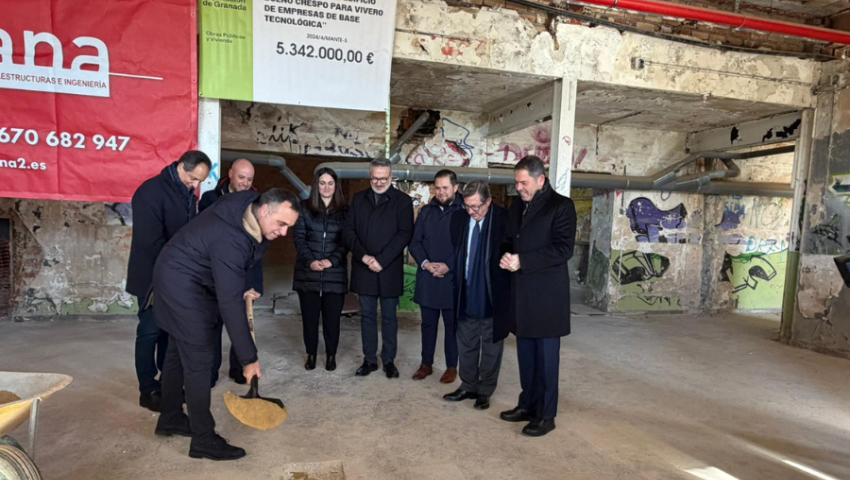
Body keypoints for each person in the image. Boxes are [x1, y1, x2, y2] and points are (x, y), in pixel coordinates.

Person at [152, 188, 301, 461]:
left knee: (176, 351)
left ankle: (171, 417)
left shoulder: (247, 207)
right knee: (199, 360)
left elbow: (237, 263)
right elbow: (230, 303)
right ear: (265, 210)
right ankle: (203, 440)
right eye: (281, 224)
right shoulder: (230, 237)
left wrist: (243, 284)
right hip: (182, 284)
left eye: (289, 227)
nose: (284, 233)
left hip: (181, 272)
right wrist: (249, 359)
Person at [126, 150, 211, 412]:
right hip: (152, 276)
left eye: (200, 182)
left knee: (169, 331)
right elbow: (150, 242)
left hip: (176, 275)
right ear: (180, 166)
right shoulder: (149, 192)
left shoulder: (185, 192)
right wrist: (182, 263)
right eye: (193, 178)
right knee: (149, 331)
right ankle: (147, 388)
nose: (195, 186)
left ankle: (168, 384)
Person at [499, 155, 576, 437]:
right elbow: (509, 239)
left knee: (546, 360)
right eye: (516, 183)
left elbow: (563, 249)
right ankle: (528, 405)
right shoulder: (518, 205)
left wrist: (524, 261)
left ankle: (547, 415)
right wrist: (506, 256)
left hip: (547, 298)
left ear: (540, 179)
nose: (519, 188)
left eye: (524, 183)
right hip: (522, 293)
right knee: (527, 357)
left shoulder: (561, 206)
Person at [442, 180, 511, 411]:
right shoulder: (459, 219)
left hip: (492, 295)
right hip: (466, 291)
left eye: (477, 207)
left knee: (492, 347)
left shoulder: (504, 219)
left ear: (489, 201)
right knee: (466, 343)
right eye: (468, 206)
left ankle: (485, 391)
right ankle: (468, 386)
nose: (472, 212)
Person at [344, 158, 414, 378]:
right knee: (367, 316)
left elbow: (405, 234)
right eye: (375, 178)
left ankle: (389, 360)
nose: (379, 182)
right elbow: (348, 232)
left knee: (390, 317)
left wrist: (381, 260)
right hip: (364, 266)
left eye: (384, 178)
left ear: (391, 177)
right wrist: (365, 257)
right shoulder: (358, 199)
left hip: (389, 268)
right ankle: (369, 360)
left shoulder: (403, 201)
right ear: (369, 176)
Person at [198, 158, 262, 386]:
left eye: (250, 179)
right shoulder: (210, 200)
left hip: (245, 275)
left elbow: (259, 245)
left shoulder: (257, 202)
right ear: (231, 174)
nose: (245, 183)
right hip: (214, 274)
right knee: (212, 327)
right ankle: (211, 371)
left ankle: (239, 368)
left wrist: (253, 283)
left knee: (241, 323)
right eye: (241, 177)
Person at [408, 170, 463, 383]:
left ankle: (451, 367)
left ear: (455, 188)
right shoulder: (426, 212)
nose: (441, 192)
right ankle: (426, 364)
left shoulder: (464, 212)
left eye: (445, 188)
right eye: (437, 188)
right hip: (428, 277)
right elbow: (415, 242)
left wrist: (449, 265)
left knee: (452, 326)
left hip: (452, 278)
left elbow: (465, 246)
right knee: (428, 324)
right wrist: (426, 264)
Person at [292, 167, 348, 372]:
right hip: (308, 272)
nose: (326, 187)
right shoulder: (304, 208)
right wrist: (311, 261)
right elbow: (298, 237)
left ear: (336, 186)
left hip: (335, 273)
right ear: (316, 185)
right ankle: (311, 354)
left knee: (332, 319)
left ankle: (331, 355)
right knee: (309, 318)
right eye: (322, 183)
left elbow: (346, 241)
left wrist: (332, 260)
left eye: (330, 183)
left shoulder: (345, 212)